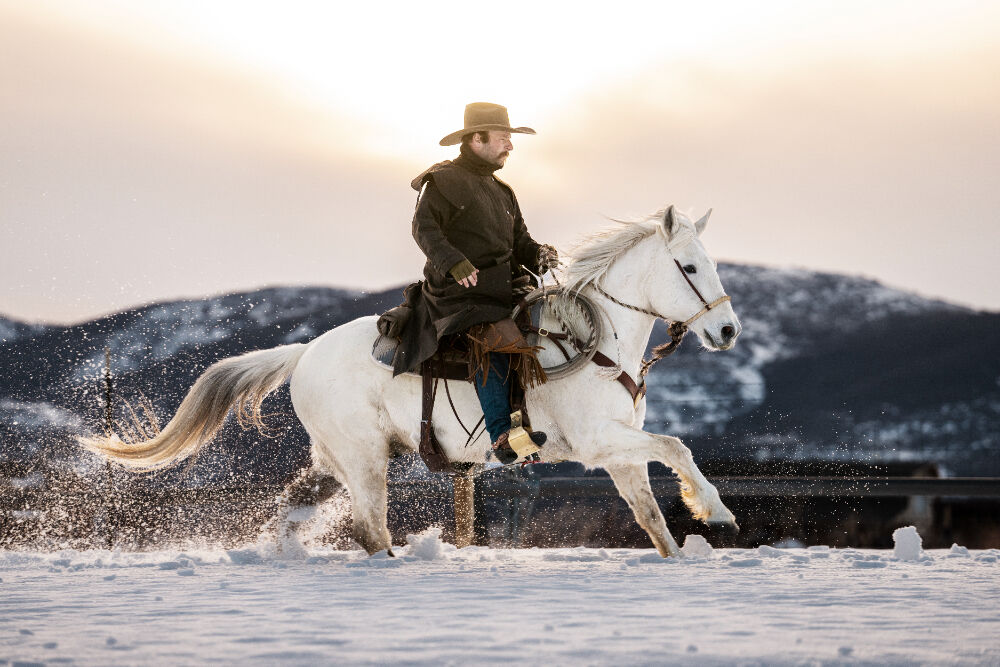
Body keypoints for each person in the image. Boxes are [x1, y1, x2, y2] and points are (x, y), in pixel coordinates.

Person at [397, 102, 558, 463]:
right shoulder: (441, 181)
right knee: (494, 338)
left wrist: (539, 255)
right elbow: (423, 228)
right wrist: (454, 262)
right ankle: (503, 435)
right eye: (504, 138)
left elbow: (521, 242)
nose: (510, 146)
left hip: (503, 287)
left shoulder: (503, 192)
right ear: (477, 138)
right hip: (459, 293)